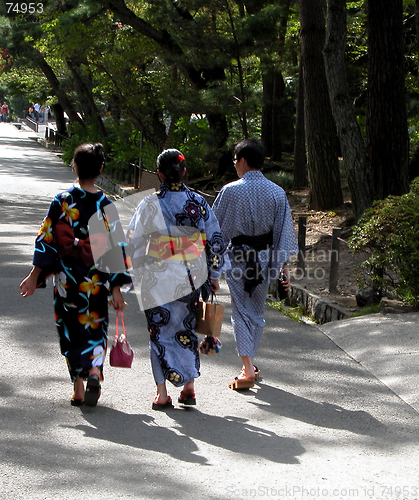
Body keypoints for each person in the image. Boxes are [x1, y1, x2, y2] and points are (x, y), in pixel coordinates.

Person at [20, 143, 131, 407]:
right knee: (95, 326)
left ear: (75, 166)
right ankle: (94, 370)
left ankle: (79, 388)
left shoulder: (61, 201)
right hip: (96, 280)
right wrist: (116, 289)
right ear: (101, 169)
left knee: (70, 328)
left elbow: (47, 239)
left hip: (66, 279)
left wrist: (35, 275)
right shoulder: (107, 205)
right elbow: (116, 248)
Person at [126, 149, 227, 410]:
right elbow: (215, 241)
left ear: (158, 173)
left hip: (157, 278)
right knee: (187, 329)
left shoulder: (149, 203)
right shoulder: (199, 202)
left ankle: (161, 394)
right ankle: (189, 387)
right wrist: (214, 276)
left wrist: (131, 275)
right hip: (191, 277)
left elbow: (134, 241)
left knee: (159, 332)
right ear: (184, 172)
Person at [212, 138, 298, 390]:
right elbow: (283, 236)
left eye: (235, 160)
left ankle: (248, 368)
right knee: (257, 312)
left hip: (238, 257)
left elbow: (216, 231)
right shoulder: (277, 192)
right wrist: (284, 269)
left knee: (240, 311)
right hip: (265, 260)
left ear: (243, 161)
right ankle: (248, 363)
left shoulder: (230, 190)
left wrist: (212, 269)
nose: (234, 165)